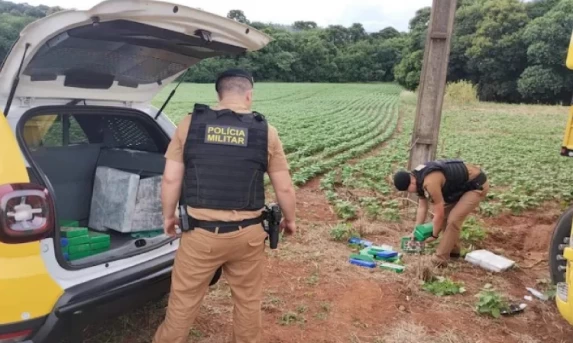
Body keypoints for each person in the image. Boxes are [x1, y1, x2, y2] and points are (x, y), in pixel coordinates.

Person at [152, 68, 296, 343]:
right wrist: (290, 221)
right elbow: (285, 187)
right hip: (248, 237)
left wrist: (168, 216)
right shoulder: (266, 131)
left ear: (218, 94)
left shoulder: (189, 124)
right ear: (249, 95)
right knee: (247, 301)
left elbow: (171, 179)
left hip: (200, 235)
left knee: (183, 301)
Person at [392, 159, 489, 267]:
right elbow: (422, 207)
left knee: (453, 219)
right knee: (443, 219)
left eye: (408, 190)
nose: (410, 192)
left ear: (412, 182)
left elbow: (439, 213)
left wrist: (434, 235)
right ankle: (453, 251)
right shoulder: (417, 178)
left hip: (475, 185)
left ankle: (440, 259)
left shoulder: (429, 182)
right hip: (459, 187)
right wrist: (416, 230)